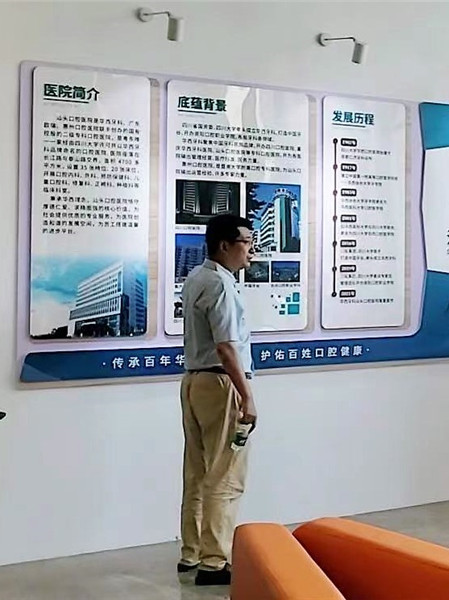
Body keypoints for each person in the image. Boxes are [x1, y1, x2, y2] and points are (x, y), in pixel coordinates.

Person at [178, 214, 257, 586]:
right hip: (222, 384)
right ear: (224, 245)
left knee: (197, 471)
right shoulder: (221, 285)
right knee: (225, 474)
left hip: (194, 382)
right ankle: (214, 561)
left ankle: (191, 552)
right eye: (246, 242)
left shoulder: (196, 278)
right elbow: (226, 347)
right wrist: (247, 396)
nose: (251, 250)